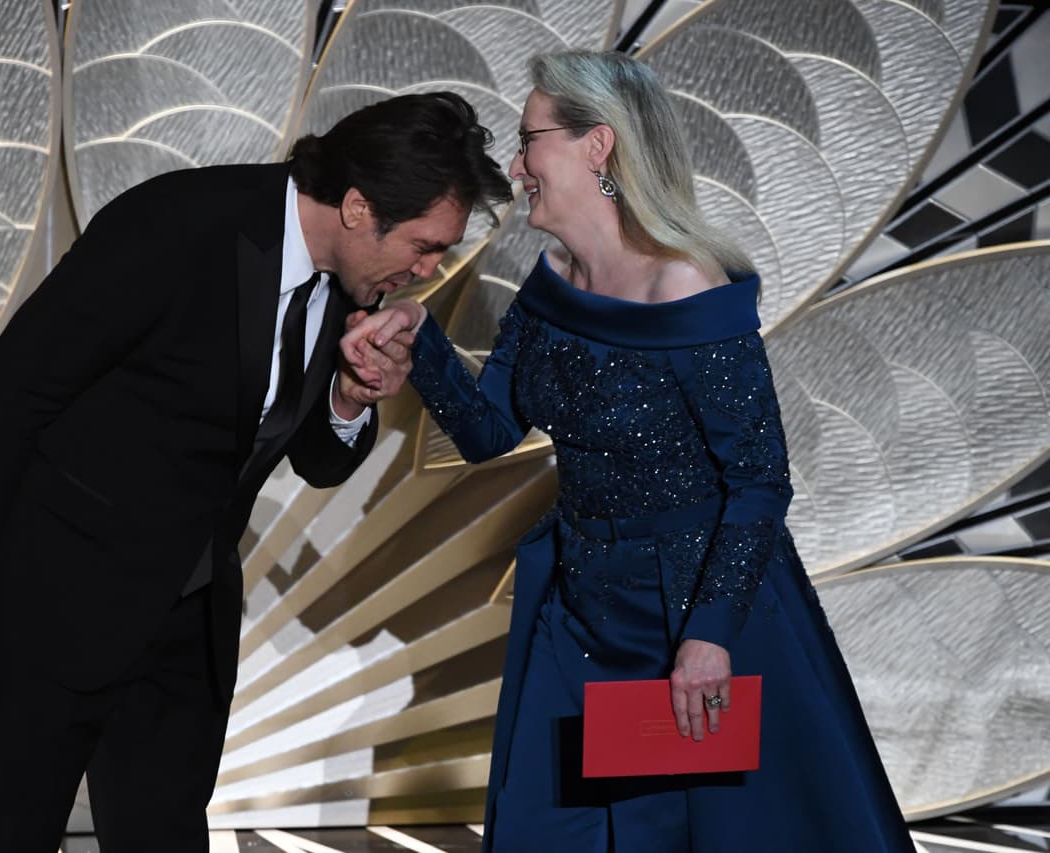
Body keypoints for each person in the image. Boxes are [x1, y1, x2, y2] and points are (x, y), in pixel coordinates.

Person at [0, 92, 513, 852]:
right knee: (9, 833)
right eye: (425, 246)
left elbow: (318, 460)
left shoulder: (345, 288)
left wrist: (350, 397)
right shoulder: (177, 223)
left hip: (189, 619)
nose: (428, 270)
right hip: (59, 596)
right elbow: (16, 388)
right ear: (359, 206)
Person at [343, 52, 913, 853]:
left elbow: (757, 483)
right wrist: (421, 341)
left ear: (596, 146)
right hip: (579, 613)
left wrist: (709, 640)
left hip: (701, 617)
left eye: (529, 138)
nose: (515, 165)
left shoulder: (687, 286)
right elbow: (488, 434)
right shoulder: (552, 284)